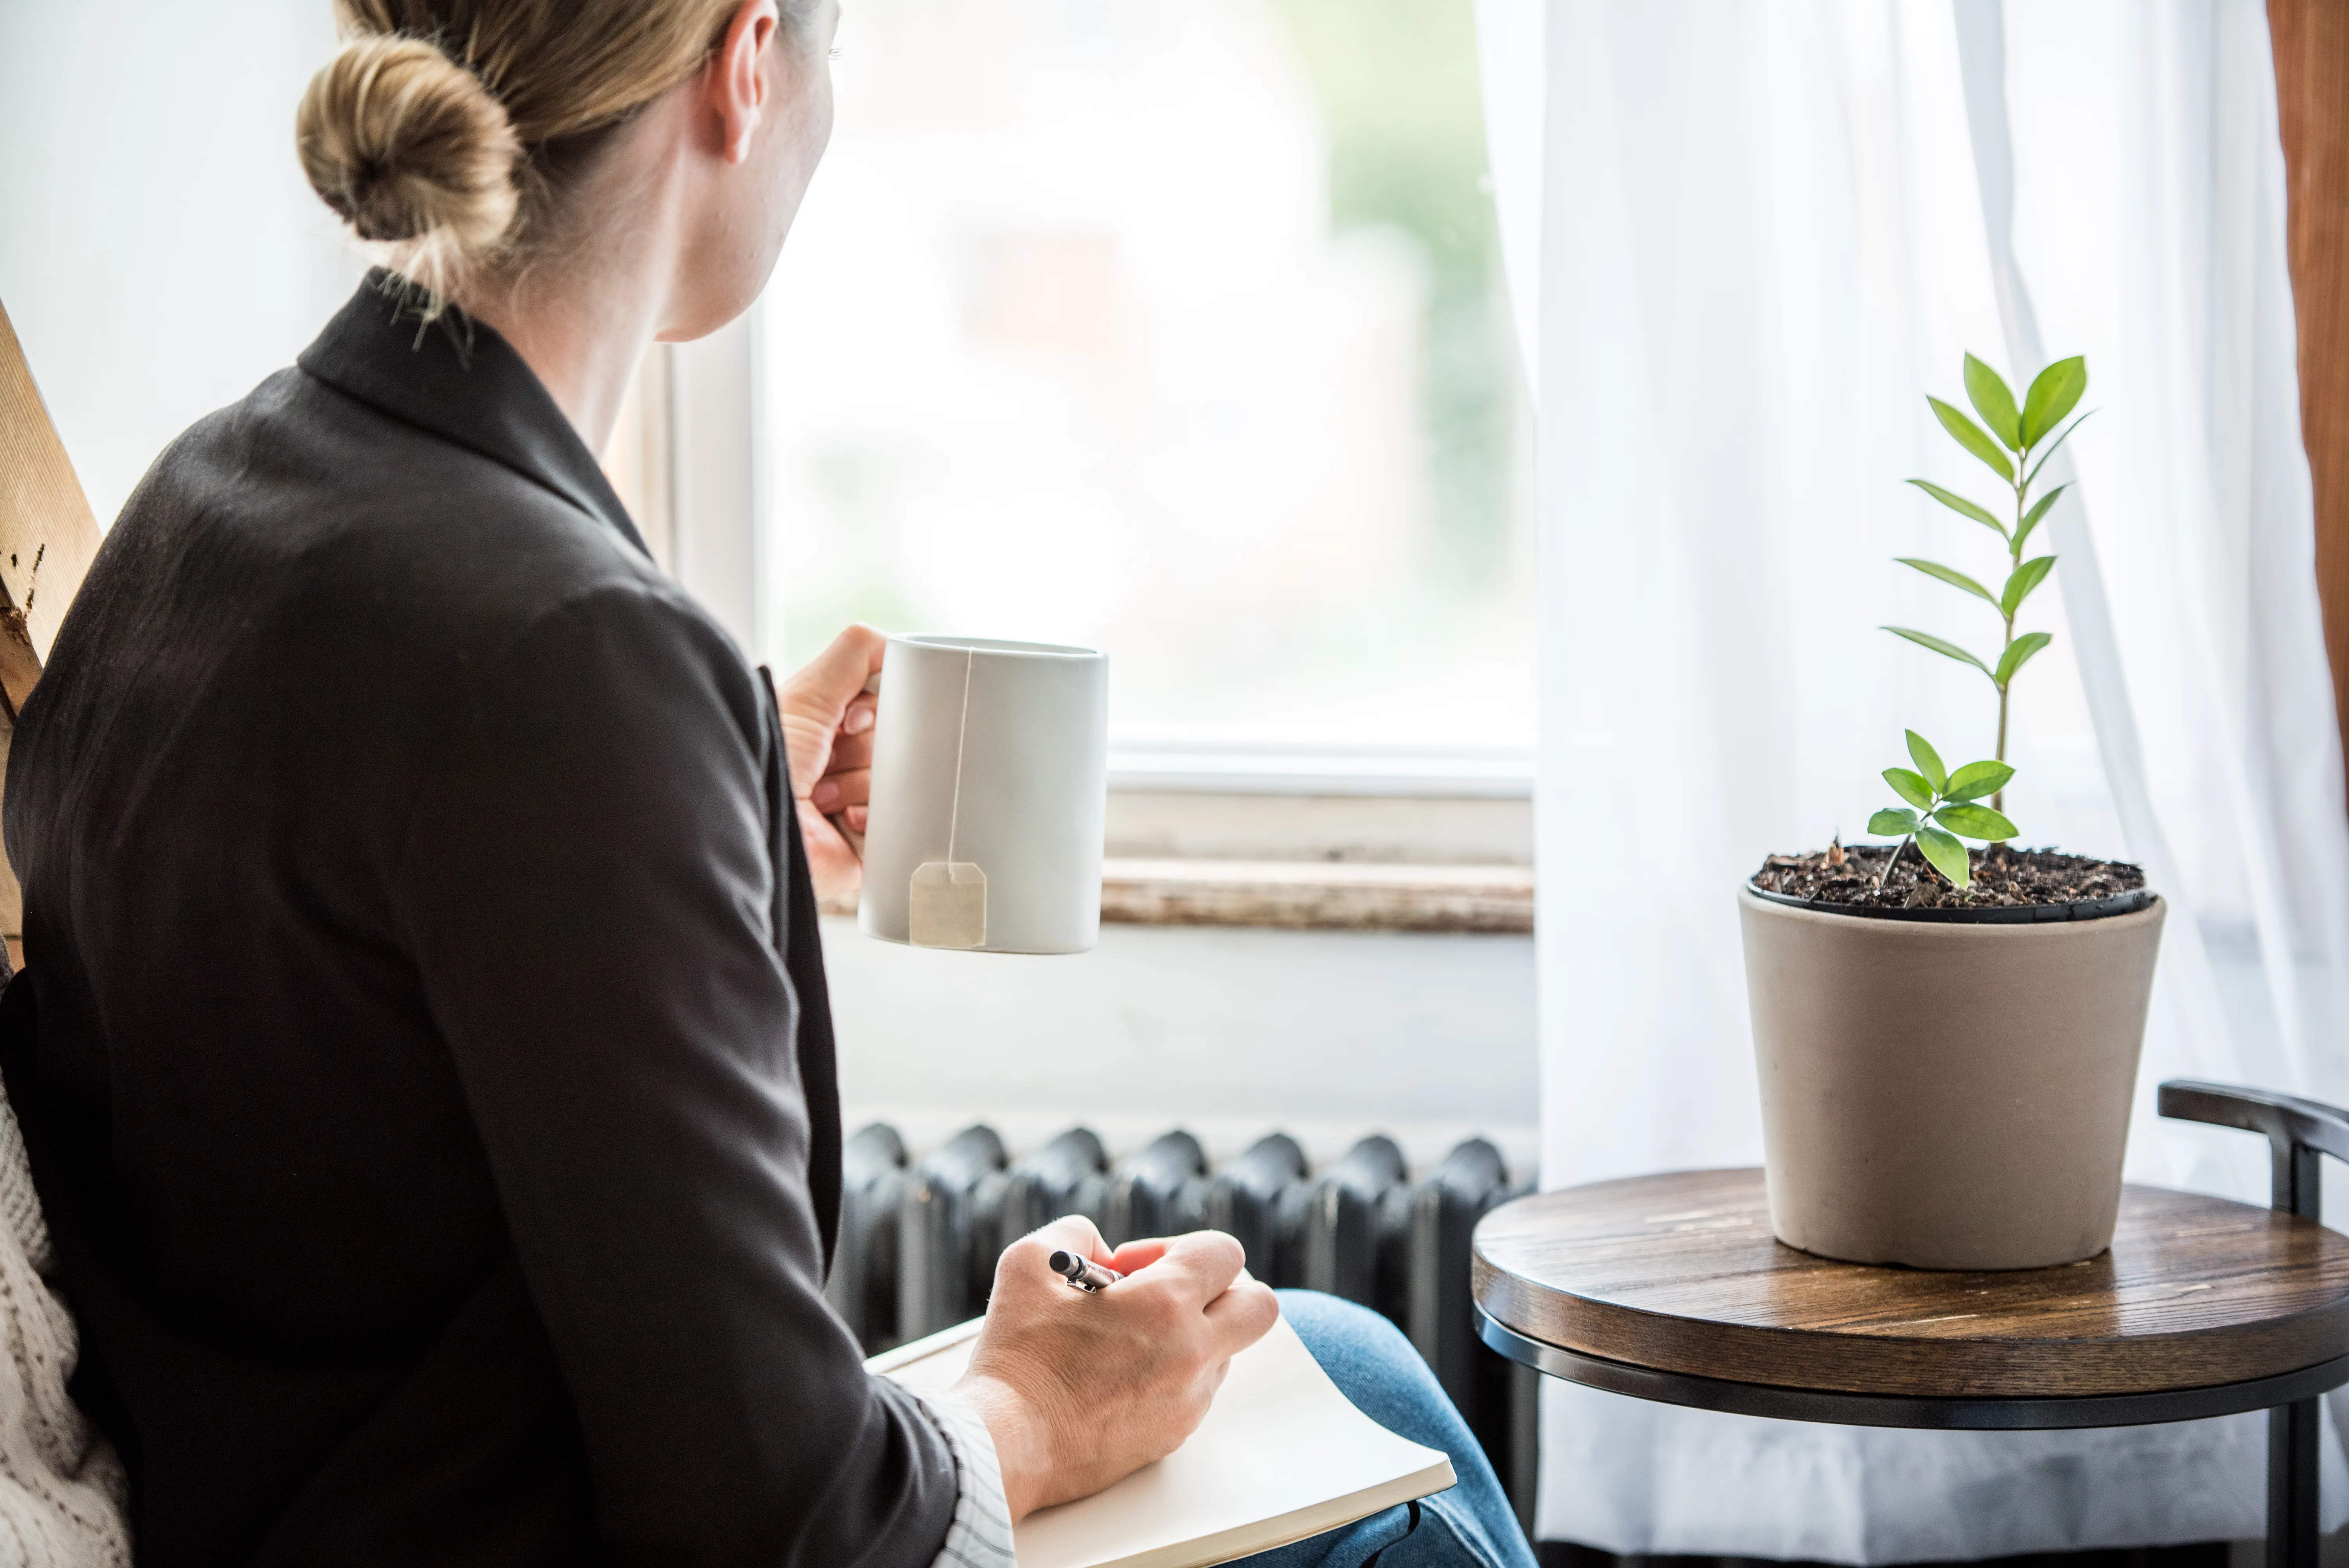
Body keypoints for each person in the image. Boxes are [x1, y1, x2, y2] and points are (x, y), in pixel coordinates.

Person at [0, 4, 1539, 1565]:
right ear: (745, 67)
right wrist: (1033, 1402)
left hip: (300, 1488)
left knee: (1340, 1356)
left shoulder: (193, 512)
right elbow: (789, 1524)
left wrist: (706, 818)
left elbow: (374, 1021)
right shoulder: (569, 655)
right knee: (1383, 1498)